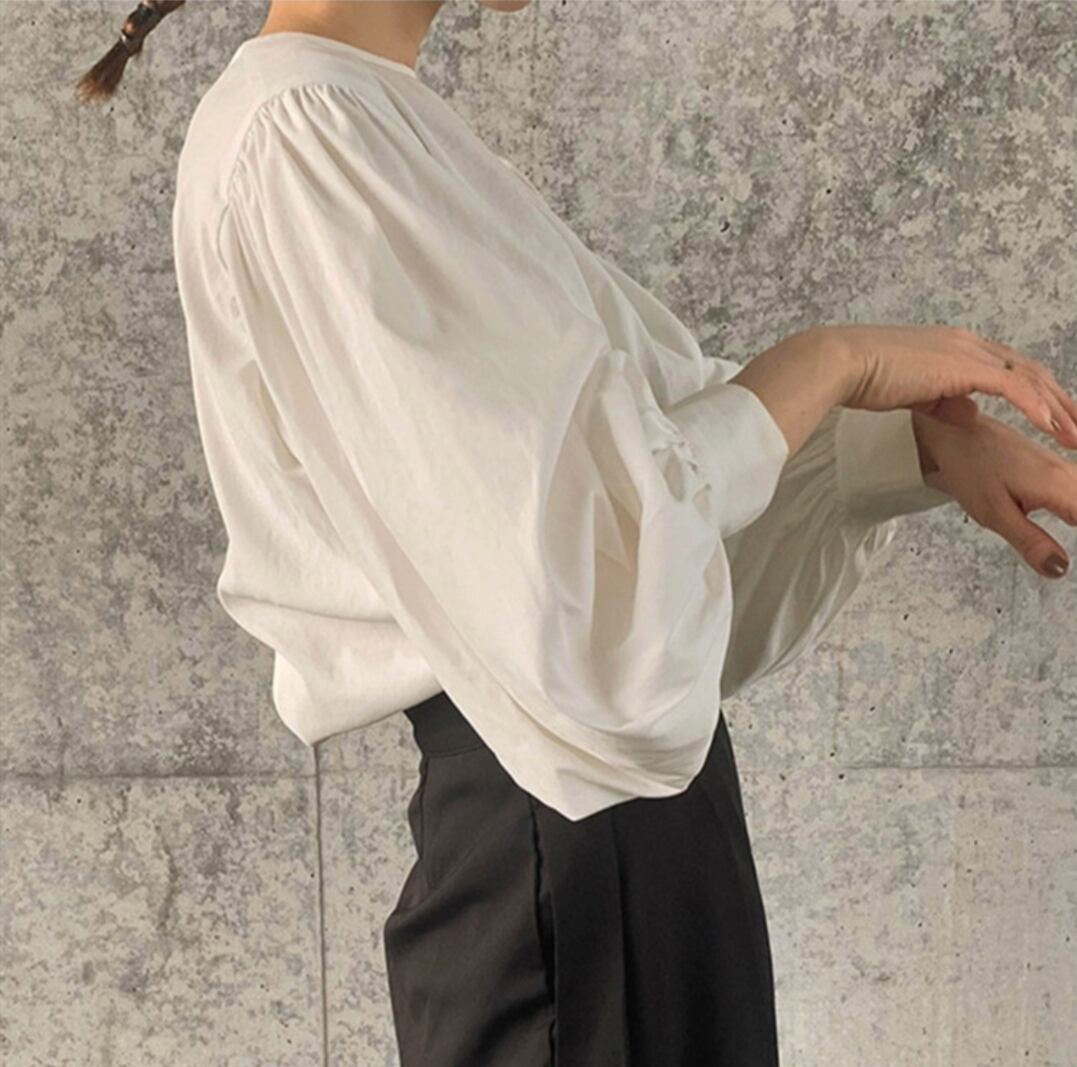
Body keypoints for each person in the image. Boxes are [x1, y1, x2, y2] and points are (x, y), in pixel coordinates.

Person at [78, 2, 1077, 1064]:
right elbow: (588, 584)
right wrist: (835, 361)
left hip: (603, 836)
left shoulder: (362, 120)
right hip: (566, 839)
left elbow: (633, 521)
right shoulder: (306, 136)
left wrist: (906, 445)